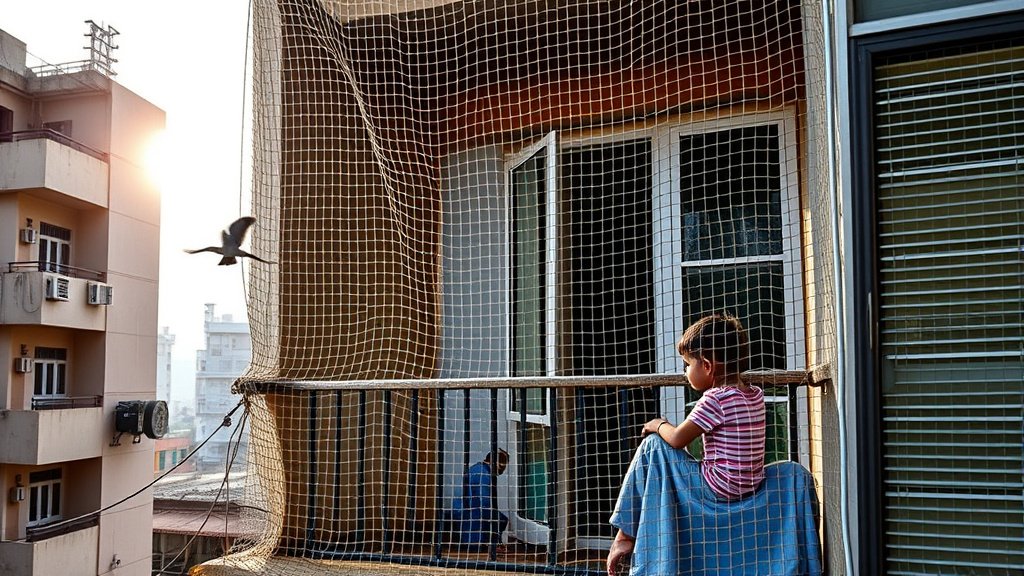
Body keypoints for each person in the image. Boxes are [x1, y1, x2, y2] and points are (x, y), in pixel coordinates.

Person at [607, 313, 766, 576]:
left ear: (706, 365)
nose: (684, 373)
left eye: (686, 364)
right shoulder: (753, 394)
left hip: (717, 486)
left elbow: (679, 438)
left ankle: (624, 534)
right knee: (659, 450)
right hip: (747, 485)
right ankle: (626, 533)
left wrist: (657, 424)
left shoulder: (715, 398)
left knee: (652, 447)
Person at [454, 449, 510, 552]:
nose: (503, 470)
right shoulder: (484, 474)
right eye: (503, 466)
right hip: (472, 513)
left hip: (463, 510)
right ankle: (493, 545)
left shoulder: (477, 469)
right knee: (500, 519)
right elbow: (484, 502)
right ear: (496, 463)